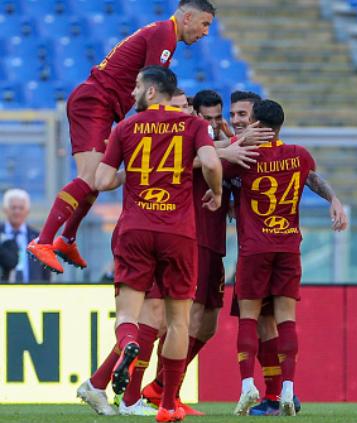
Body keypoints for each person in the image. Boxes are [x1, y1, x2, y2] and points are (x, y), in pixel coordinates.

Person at [27, 0, 216, 274]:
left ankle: (66, 238)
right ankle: (43, 241)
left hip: (102, 105)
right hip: (94, 102)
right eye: (205, 24)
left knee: (100, 179)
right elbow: (154, 89)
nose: (206, 32)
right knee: (92, 177)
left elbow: (153, 89)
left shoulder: (164, 33)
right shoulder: (165, 33)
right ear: (187, 17)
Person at [82, 66, 223, 423]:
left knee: (129, 315)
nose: (131, 94)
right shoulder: (193, 126)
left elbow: (100, 179)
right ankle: (168, 405)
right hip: (178, 231)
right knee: (178, 321)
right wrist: (217, 192)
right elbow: (209, 161)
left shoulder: (126, 127)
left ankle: (127, 343)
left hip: (135, 228)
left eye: (135, 88)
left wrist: (139, 173)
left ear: (150, 92)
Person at [138, 89, 272, 416]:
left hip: (216, 246)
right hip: (190, 239)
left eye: (219, 118)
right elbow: (196, 159)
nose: (212, 124)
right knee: (174, 321)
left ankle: (160, 388)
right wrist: (229, 147)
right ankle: (142, 391)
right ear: (193, 115)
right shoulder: (191, 143)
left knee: (207, 325)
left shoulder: (225, 148)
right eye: (206, 118)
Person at [226, 99, 348, 416]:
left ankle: (246, 386)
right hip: (288, 246)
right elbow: (314, 179)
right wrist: (334, 199)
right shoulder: (298, 155)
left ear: (256, 124)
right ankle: (288, 390)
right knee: (286, 320)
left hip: (254, 247)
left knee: (249, 318)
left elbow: (210, 164)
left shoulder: (243, 157)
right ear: (280, 126)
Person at [1, 189, 51, 282]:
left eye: (21, 208)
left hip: (32, 292)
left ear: (27, 211)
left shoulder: (39, 238)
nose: (17, 212)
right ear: (5, 209)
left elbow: (46, 272)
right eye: (13, 207)